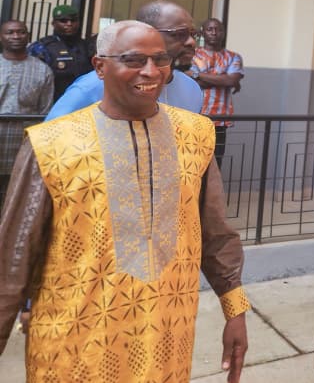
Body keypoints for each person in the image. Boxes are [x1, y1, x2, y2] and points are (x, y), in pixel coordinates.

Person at [0, 20, 250, 382]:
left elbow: (215, 232)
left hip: (167, 339)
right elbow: (13, 256)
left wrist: (235, 309)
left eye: (160, 59)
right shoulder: (52, 143)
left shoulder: (196, 135)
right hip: (76, 345)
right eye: (133, 60)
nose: (151, 71)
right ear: (100, 66)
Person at [46, 0, 203, 120]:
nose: (191, 42)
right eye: (179, 34)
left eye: (193, 34)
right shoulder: (96, 85)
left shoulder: (192, 89)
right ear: (147, 32)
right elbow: (50, 141)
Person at [0, 21, 53, 210]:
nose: (16, 36)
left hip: (22, 145)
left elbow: (44, 113)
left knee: (14, 200)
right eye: (10, 32)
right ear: (1, 37)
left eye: (21, 32)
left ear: (28, 36)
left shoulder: (43, 70)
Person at [190, 18, 244, 167]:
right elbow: (190, 82)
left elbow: (231, 80)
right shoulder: (193, 55)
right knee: (193, 163)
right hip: (195, 117)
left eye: (218, 29)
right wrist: (222, 79)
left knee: (215, 164)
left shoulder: (233, 57)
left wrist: (197, 74)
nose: (214, 32)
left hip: (220, 120)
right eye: (210, 29)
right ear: (203, 33)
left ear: (223, 33)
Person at [27, 4, 93, 101]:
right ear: (53, 23)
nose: (69, 24)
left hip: (83, 101)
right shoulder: (42, 47)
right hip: (54, 101)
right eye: (63, 21)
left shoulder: (87, 46)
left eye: (73, 20)